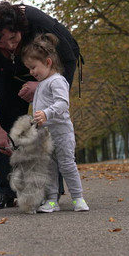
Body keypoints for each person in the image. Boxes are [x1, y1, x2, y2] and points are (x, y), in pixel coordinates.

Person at [0, 1, 81, 210]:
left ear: (20, 29)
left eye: (13, 38)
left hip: (51, 70)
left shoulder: (38, 23)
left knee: (49, 127)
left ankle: (52, 192)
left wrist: (42, 85)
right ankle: (5, 191)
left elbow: (68, 58)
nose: (10, 46)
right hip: (5, 74)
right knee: (8, 126)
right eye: (2, 44)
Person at [22, 33, 89, 212]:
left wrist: (46, 113)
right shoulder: (42, 83)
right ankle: (52, 200)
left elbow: (62, 103)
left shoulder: (57, 80)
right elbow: (43, 103)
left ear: (48, 62)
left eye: (33, 67)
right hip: (45, 134)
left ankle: (78, 198)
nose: (31, 72)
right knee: (49, 166)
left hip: (61, 132)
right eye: (29, 68)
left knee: (67, 164)